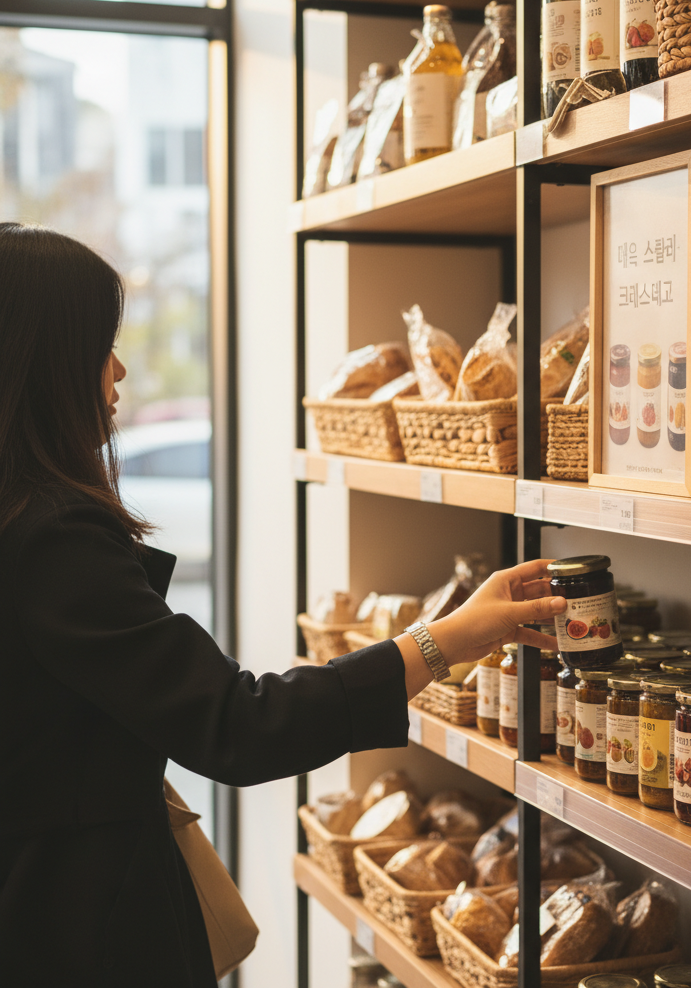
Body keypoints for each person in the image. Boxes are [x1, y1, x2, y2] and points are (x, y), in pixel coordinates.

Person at [0, 222, 567, 987]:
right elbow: (240, 723)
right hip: (74, 931)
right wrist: (443, 642)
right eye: (103, 346)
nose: (121, 369)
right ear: (48, 367)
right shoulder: (53, 540)